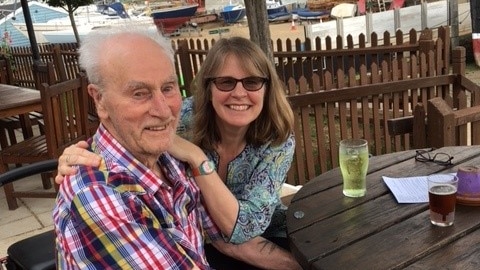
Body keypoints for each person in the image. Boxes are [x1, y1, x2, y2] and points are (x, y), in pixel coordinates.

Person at [52, 26, 300, 269]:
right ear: (99, 100)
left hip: (248, 239)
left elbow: (220, 231)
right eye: (139, 93)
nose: (162, 111)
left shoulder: (167, 158)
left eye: (168, 88)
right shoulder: (103, 195)